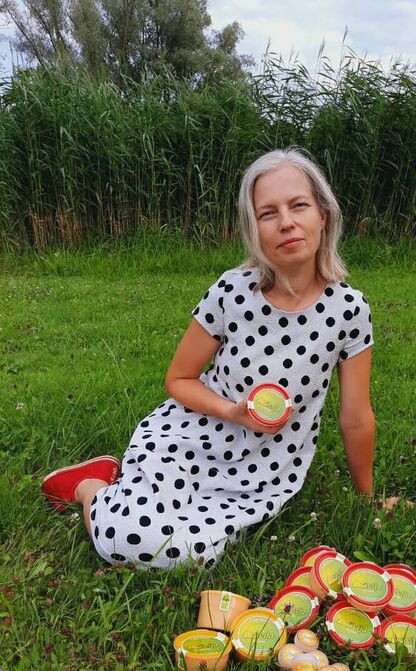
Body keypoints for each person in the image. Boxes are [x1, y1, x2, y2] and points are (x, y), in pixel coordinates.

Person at [41, 148, 375, 568]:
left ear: (323, 215)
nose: (286, 222)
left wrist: (366, 500)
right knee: (130, 538)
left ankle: (117, 493)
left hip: (264, 468)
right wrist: (232, 412)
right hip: (194, 434)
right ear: (253, 229)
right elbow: (179, 379)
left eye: (299, 206)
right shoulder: (232, 291)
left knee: (188, 554)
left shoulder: (348, 310)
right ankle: (90, 487)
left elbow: (356, 417)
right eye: (267, 213)